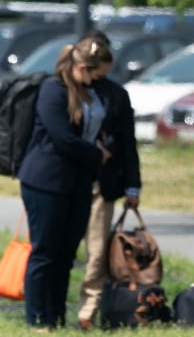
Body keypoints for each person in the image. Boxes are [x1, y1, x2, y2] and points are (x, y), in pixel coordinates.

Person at [18, 38, 112, 331]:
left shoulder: (87, 93)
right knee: (45, 251)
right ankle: (37, 318)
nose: (99, 81)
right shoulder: (52, 90)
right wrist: (98, 154)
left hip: (78, 182)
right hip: (46, 181)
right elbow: (62, 138)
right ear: (81, 67)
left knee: (66, 254)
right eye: (95, 75)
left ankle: (56, 317)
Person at [77, 31, 142, 330]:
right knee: (61, 249)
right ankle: (50, 308)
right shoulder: (66, 90)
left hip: (102, 185)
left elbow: (128, 143)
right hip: (67, 182)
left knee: (97, 251)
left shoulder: (116, 95)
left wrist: (133, 185)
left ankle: (88, 310)